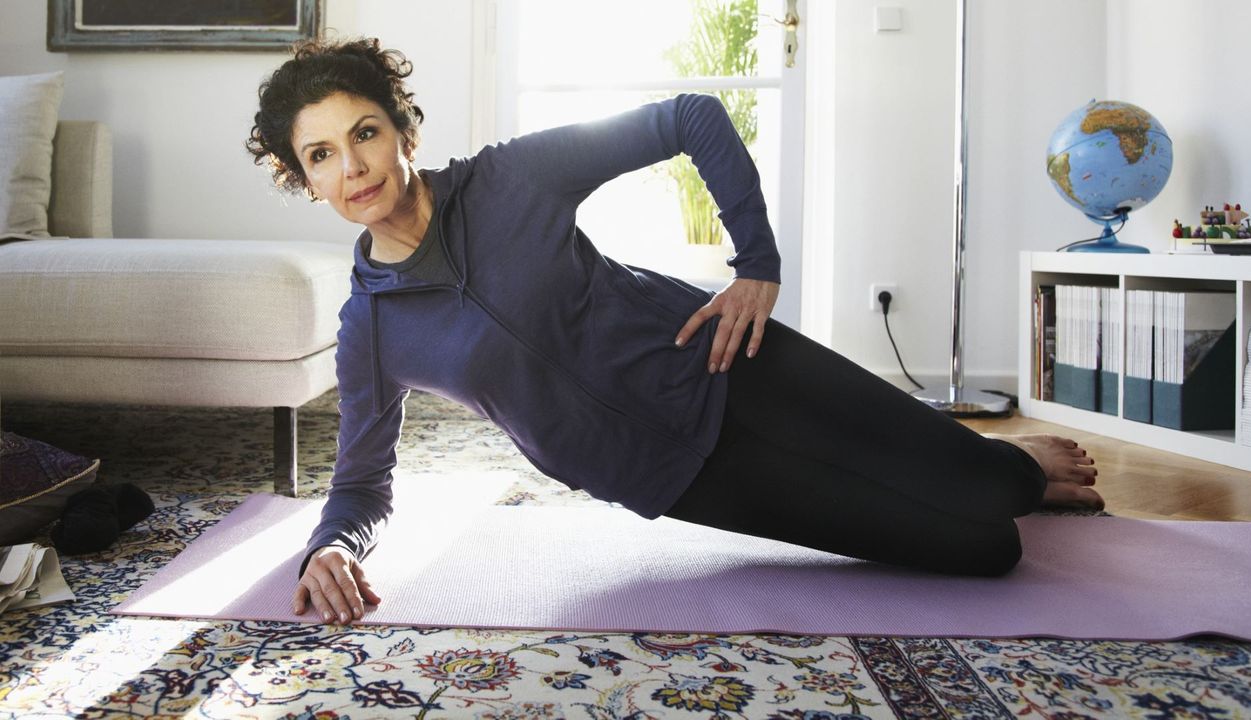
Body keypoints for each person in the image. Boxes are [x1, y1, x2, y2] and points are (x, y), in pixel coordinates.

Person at [246, 37, 1102, 626]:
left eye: (364, 132)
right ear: (302, 177)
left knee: (995, 492)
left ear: (403, 129)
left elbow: (692, 116)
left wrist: (756, 265)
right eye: (320, 154)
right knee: (987, 552)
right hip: (673, 475)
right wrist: (332, 547)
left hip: (726, 362)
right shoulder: (371, 326)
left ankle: (1012, 465)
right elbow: (362, 482)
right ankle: (996, 482)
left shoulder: (511, 179)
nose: (352, 166)